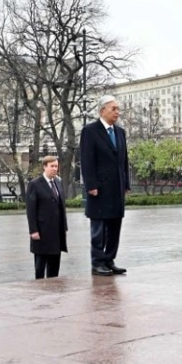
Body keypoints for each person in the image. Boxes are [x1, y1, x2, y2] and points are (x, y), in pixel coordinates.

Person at [79, 95, 130, 276]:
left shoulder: (120, 132)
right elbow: (87, 160)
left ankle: (109, 260)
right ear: (102, 111)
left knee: (115, 227)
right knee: (99, 228)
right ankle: (97, 263)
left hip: (117, 189)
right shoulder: (90, 131)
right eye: (113, 109)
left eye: (118, 108)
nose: (117, 112)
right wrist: (91, 185)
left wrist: (126, 184)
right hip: (99, 189)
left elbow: (124, 161)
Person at [25, 155, 68, 279]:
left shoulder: (58, 183)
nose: (55, 169)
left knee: (54, 268)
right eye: (52, 166)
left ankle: (53, 289)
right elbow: (31, 210)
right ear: (44, 167)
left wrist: (64, 228)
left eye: (56, 166)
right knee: (40, 267)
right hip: (42, 232)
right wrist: (33, 230)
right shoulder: (35, 184)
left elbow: (62, 207)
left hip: (56, 233)